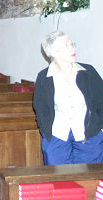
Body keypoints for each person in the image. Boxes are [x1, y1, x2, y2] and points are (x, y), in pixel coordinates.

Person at [33, 31, 103, 165]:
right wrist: (48, 133)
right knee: (60, 180)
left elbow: (101, 100)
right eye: (66, 46)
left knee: (89, 181)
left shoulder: (88, 72)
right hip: (57, 135)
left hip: (89, 136)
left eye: (72, 44)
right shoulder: (44, 77)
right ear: (53, 52)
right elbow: (40, 108)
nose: (73, 48)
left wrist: (99, 129)